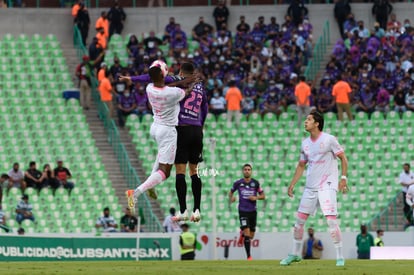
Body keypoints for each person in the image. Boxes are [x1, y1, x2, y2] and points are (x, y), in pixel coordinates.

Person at [280, 110, 348, 267]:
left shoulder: (330, 139)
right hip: (310, 188)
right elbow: (301, 165)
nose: (305, 122)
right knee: (298, 222)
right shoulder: (305, 143)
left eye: (309, 119)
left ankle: (339, 256)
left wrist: (343, 178)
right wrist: (293, 183)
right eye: (305, 119)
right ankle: (294, 254)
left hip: (327, 186)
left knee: (331, 222)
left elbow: (343, 158)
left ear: (317, 123)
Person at [125, 66, 190, 209]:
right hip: (167, 130)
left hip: (155, 127)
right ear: (163, 76)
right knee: (165, 172)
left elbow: (165, 85)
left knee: (161, 155)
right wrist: (192, 81)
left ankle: (150, 185)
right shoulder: (174, 92)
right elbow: (186, 91)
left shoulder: (149, 88)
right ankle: (135, 193)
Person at [173, 63, 208, 223]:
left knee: (180, 171)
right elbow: (205, 108)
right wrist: (201, 124)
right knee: (195, 171)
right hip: (197, 130)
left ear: (181, 72)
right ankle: (197, 210)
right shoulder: (200, 86)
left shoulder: (180, 83)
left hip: (183, 128)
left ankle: (183, 211)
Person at [229, 164, 265, 261]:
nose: (247, 171)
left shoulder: (256, 183)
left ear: (251, 171)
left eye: (249, 169)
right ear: (243, 171)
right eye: (245, 169)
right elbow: (231, 191)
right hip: (243, 211)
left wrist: (256, 197)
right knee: (247, 235)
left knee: (251, 235)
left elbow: (263, 196)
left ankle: (242, 233)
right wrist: (231, 198)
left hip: (253, 211)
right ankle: (249, 256)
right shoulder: (238, 183)